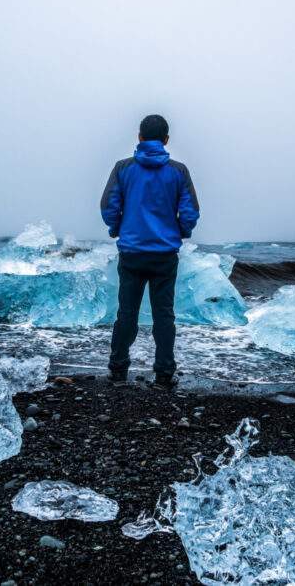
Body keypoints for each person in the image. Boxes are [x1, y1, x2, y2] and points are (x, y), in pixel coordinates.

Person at [100, 114, 200, 389]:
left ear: (140, 136)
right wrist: (180, 231)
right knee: (164, 315)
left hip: (132, 252)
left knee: (126, 314)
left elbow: (108, 205)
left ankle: (118, 371)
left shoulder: (123, 168)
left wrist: (117, 227)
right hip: (164, 254)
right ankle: (164, 374)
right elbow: (191, 212)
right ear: (166, 140)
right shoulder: (178, 171)